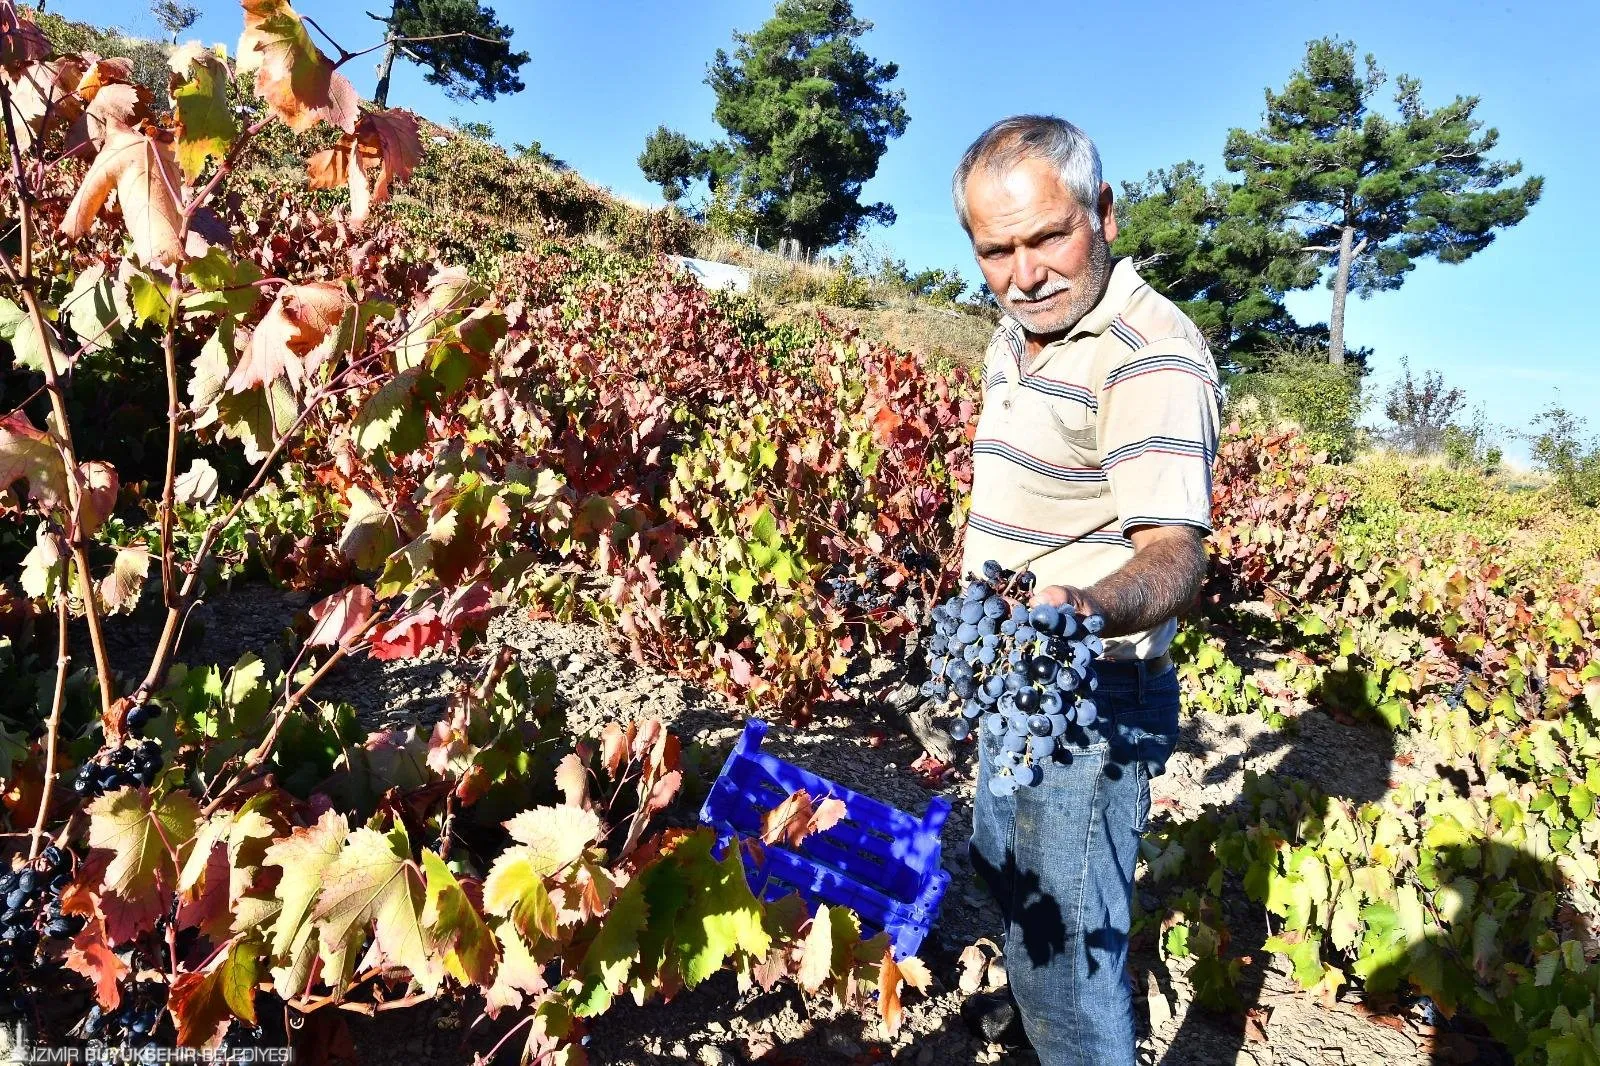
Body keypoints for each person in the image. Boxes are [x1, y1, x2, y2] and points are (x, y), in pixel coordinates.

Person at [950, 116, 1220, 1065]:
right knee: (1008, 873)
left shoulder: (1148, 356)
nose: (1024, 274)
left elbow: (1174, 555)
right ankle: (1040, 1019)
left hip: (1087, 698)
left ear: (1104, 214)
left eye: (1047, 237)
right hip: (1017, 677)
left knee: (1068, 962)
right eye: (996, 250)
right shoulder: (1020, 333)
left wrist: (1082, 610)